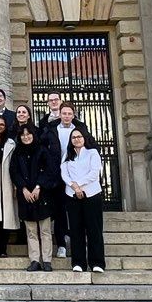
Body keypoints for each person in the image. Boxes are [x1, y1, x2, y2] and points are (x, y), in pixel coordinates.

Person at [45, 100, 97, 258]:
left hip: (78, 177)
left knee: (81, 212)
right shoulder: (51, 129)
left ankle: (82, 243)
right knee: (60, 211)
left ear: (73, 114)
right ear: (59, 114)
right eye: (64, 113)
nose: (66, 116)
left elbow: (92, 146)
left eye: (69, 113)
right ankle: (61, 244)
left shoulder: (81, 128)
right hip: (58, 175)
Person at [11, 121, 58, 271]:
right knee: (31, 231)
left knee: (45, 230)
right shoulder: (17, 152)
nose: (26, 137)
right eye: (23, 135)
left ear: (33, 134)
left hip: (42, 195)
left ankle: (47, 260)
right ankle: (35, 260)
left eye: (28, 134)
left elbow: (50, 171)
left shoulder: (42, 150)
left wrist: (39, 187)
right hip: (25, 196)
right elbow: (14, 172)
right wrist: (23, 188)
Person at [61, 126, 107, 275]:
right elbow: (64, 173)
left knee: (94, 229)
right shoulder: (68, 155)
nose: (77, 139)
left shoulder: (92, 152)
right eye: (74, 138)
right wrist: (73, 186)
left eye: (79, 137)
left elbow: (94, 172)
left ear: (84, 137)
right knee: (76, 230)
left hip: (91, 194)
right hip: (72, 195)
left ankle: (97, 262)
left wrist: (79, 185)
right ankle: (78, 262)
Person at [0, 115, 18, 257]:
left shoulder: (11, 143)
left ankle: (3, 249)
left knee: (6, 218)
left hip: (6, 182)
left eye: (2, 124)